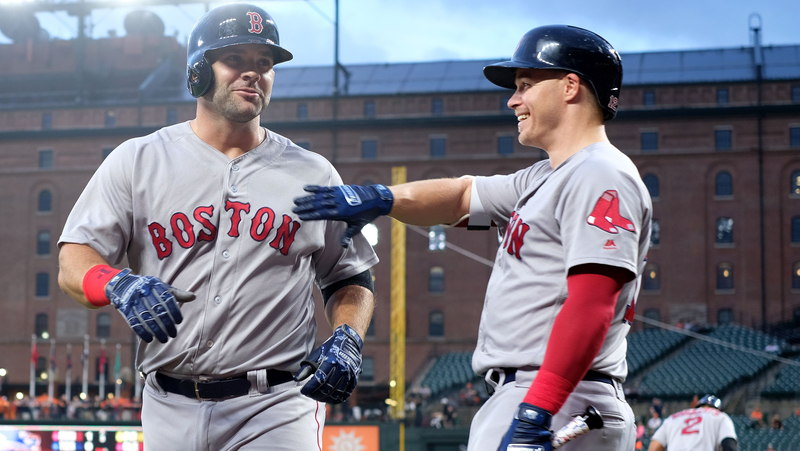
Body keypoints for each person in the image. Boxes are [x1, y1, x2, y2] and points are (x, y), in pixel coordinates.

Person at [293, 25, 651, 451]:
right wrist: (381, 198)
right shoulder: (545, 176)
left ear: (570, 86)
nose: (513, 100)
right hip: (541, 394)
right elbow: (462, 196)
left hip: (559, 397)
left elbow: (592, 303)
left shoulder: (600, 172)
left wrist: (536, 412)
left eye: (526, 85)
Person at [56, 4, 377, 450]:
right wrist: (116, 283)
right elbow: (74, 258)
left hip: (275, 406)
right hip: (167, 402)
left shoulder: (314, 172)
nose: (253, 73)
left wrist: (348, 336)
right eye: (235, 60)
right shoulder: (139, 160)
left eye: (264, 63)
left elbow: (350, 277)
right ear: (197, 72)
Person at [648, 395, 737, 451]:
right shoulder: (720, 416)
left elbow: (654, 447)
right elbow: (729, 445)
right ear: (718, 409)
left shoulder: (673, 417)